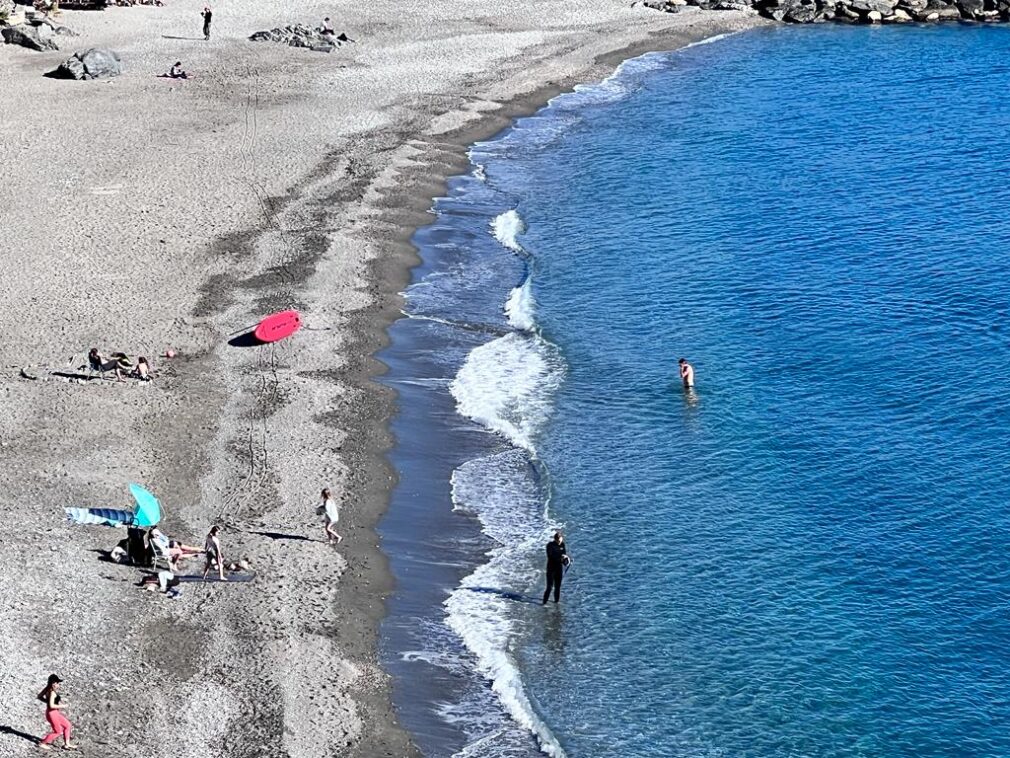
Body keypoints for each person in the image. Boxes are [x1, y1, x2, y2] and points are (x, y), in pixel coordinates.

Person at [37, 674, 75, 751]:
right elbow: (51, 705)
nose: (58, 685)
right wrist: (63, 706)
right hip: (52, 714)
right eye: (58, 683)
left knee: (68, 725)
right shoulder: (52, 693)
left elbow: (39, 696)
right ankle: (42, 743)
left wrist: (47, 701)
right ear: (53, 683)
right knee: (58, 731)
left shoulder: (47, 689)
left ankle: (67, 744)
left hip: (54, 713)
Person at [542, 531, 570, 605]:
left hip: (559, 569)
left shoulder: (563, 544)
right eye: (558, 540)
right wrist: (560, 558)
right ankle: (544, 603)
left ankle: (556, 603)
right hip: (551, 568)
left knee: (558, 587)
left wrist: (566, 560)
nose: (559, 542)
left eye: (560, 540)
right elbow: (550, 556)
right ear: (555, 539)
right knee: (549, 587)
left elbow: (564, 555)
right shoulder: (550, 545)